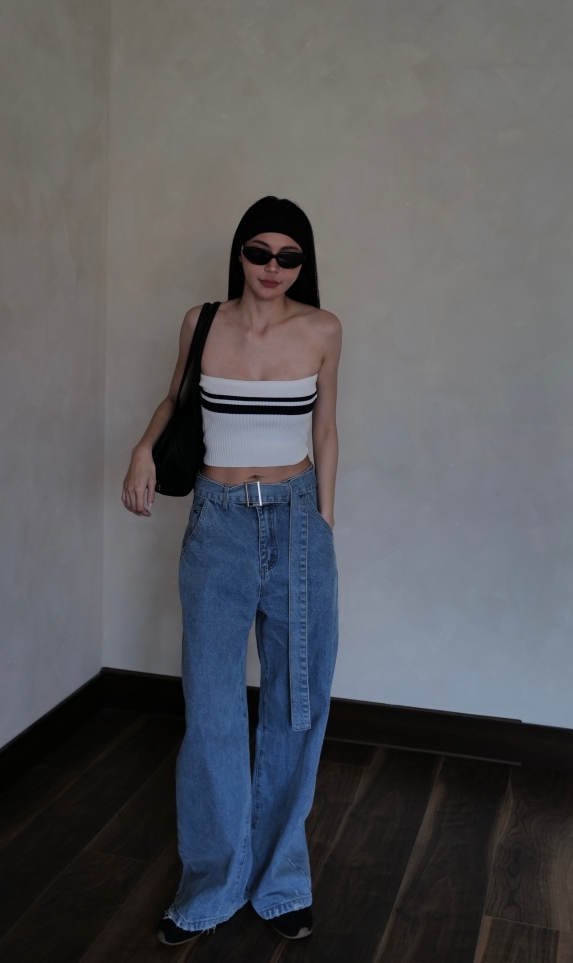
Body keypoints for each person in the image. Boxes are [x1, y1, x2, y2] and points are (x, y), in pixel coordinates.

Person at [122, 195, 342, 946]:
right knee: (212, 708)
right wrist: (142, 449)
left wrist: (324, 522)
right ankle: (214, 884)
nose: (273, 268)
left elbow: (326, 428)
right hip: (217, 524)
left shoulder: (323, 329)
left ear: (303, 263)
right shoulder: (202, 322)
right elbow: (175, 399)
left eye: (289, 256)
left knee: (296, 702)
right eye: (259, 252)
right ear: (239, 254)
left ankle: (280, 882)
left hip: (298, 519)